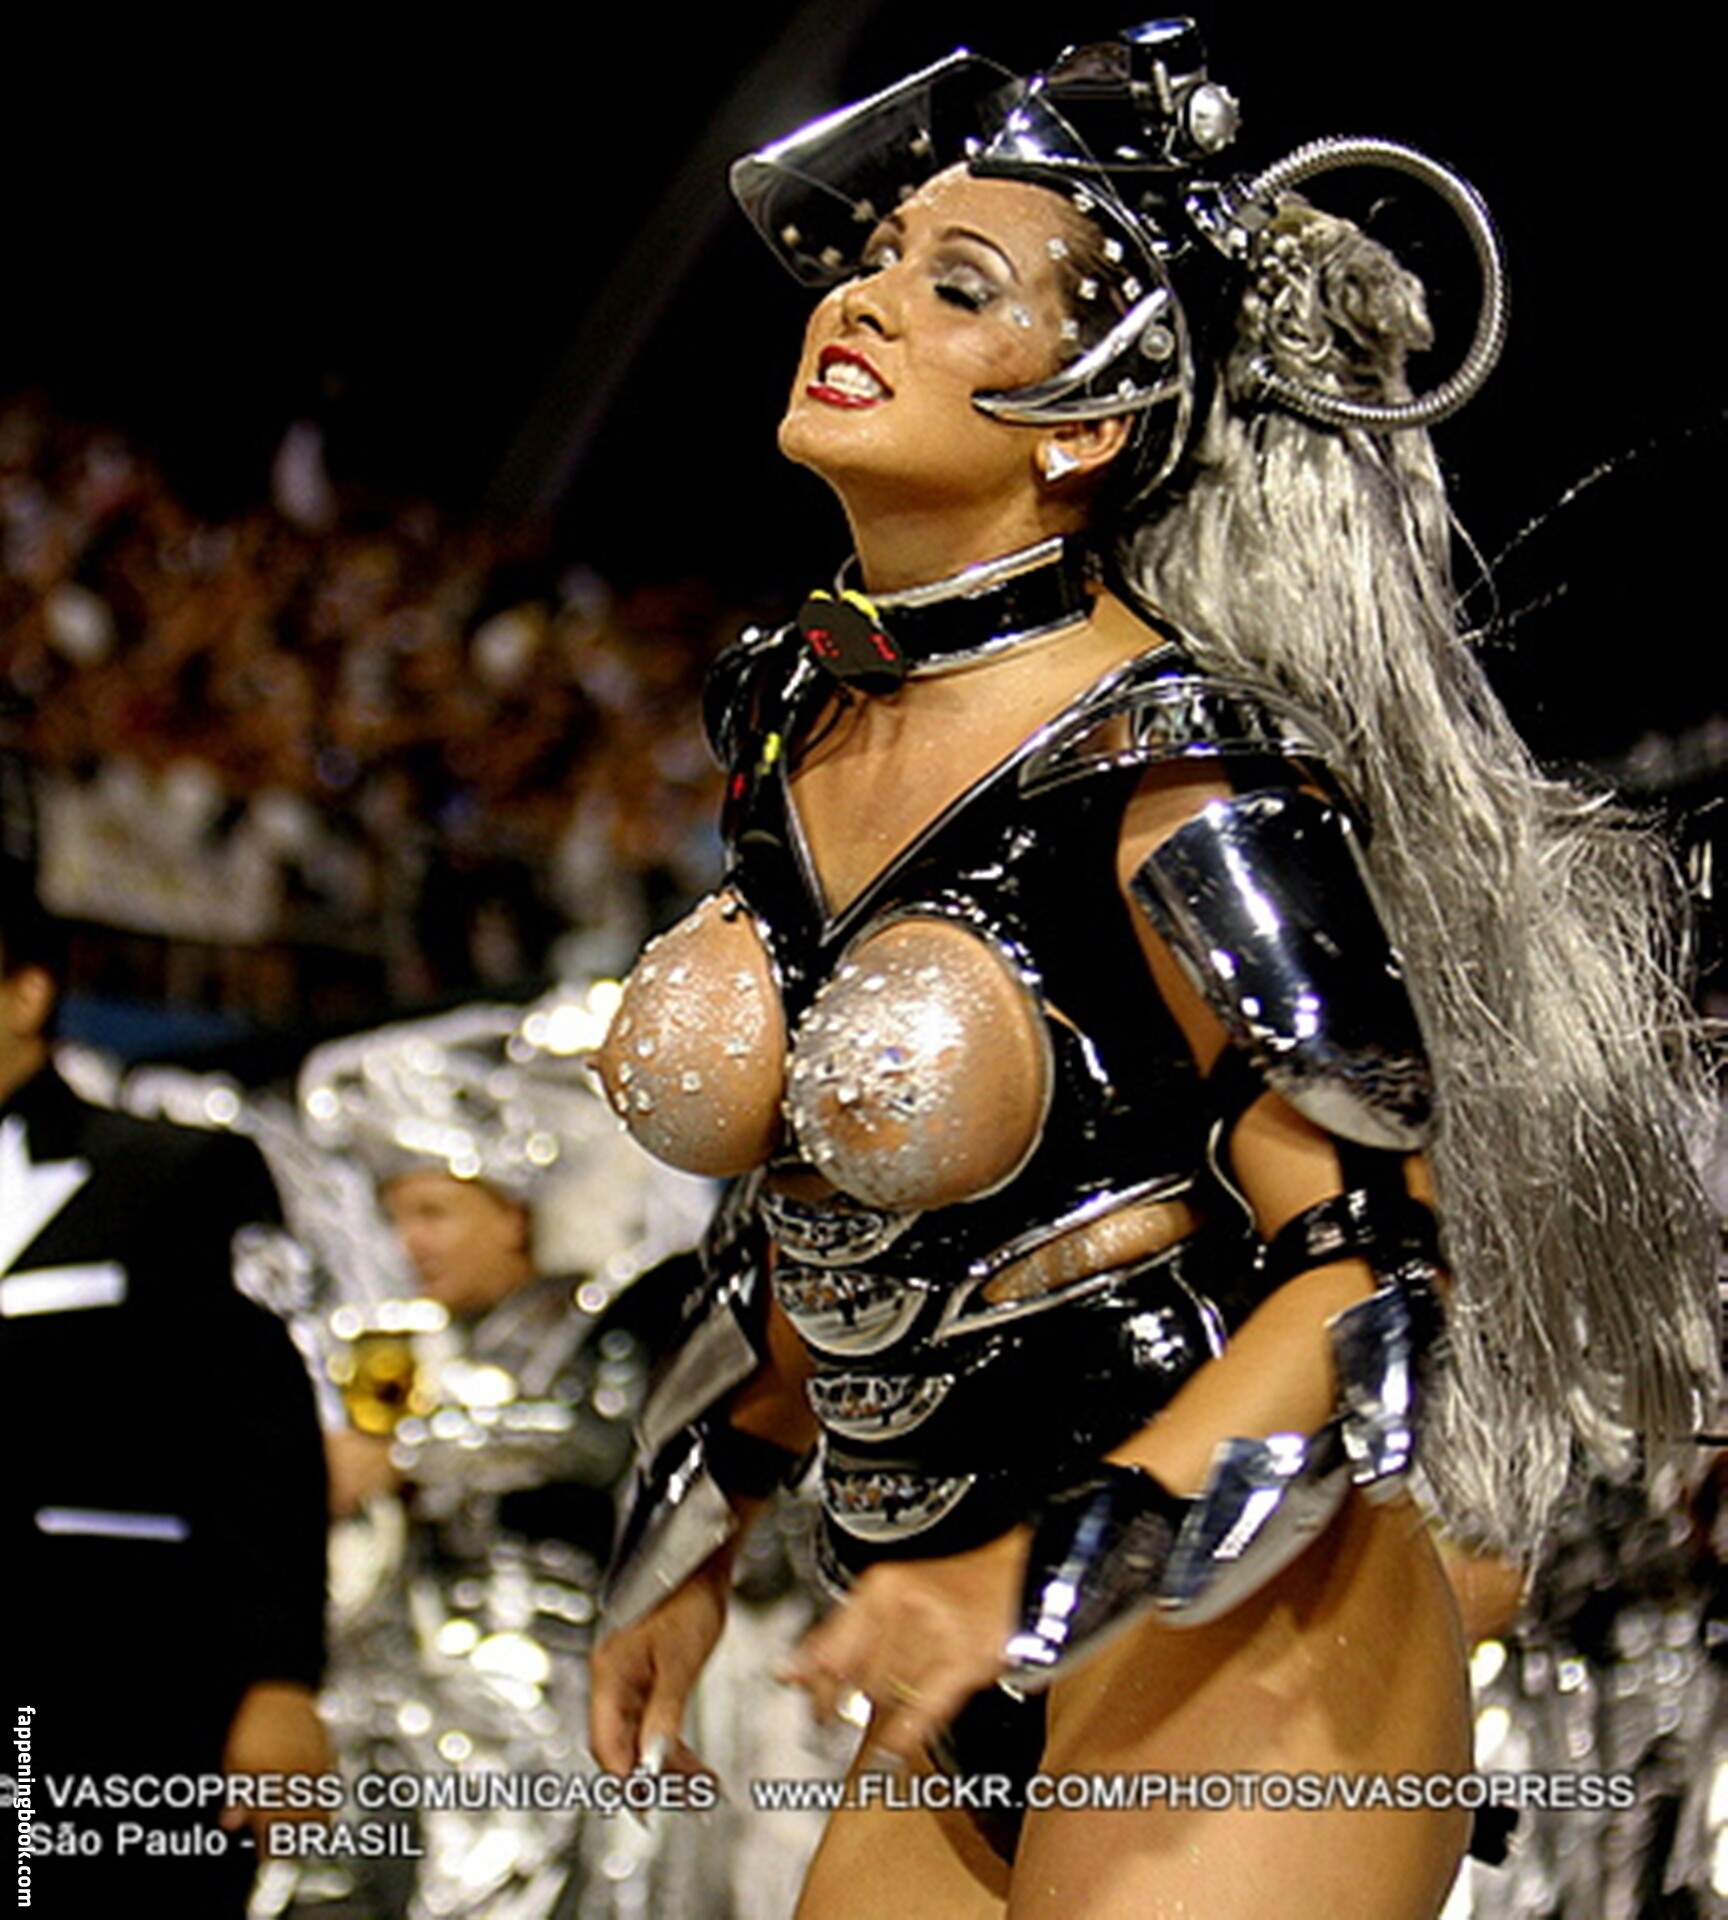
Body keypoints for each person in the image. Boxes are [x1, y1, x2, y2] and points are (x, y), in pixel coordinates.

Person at [588, 23, 1719, 1919]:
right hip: (945, 1643)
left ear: (1083, 427)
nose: (864, 299)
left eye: (958, 286)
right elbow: (808, 1197)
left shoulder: (1170, 761)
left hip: (1237, 1626)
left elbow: (1374, 1266)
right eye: (875, 262)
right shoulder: (790, 728)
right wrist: (698, 1514)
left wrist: (1037, 1581)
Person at [0, 868, 332, 1913]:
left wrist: (281, 1678)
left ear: (27, 993)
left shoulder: (174, 1175)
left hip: (126, 1682)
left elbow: (263, 1436)